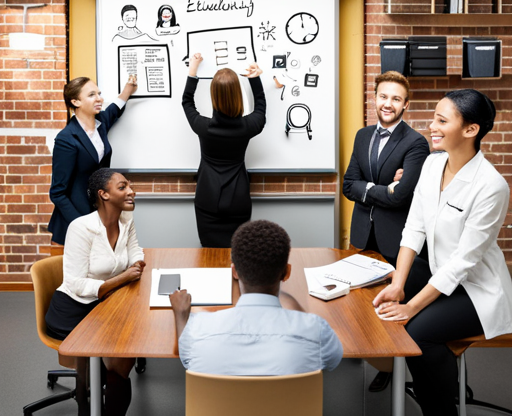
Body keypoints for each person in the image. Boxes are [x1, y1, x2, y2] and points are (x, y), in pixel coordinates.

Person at [373, 89, 512, 416]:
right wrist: (398, 285)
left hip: (477, 289)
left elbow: (463, 263)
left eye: (441, 120)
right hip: (440, 273)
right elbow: (414, 228)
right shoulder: (433, 165)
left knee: (418, 332)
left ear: (470, 130)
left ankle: (439, 406)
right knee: (384, 280)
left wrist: (411, 306)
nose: (431, 125)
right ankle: (438, 381)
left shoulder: (491, 186)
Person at [342, 70, 430, 391]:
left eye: (395, 98)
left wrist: (373, 189)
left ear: (406, 104)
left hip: (396, 240)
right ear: (374, 98)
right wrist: (383, 188)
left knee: (391, 307)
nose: (388, 103)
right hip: (363, 235)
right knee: (362, 305)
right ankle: (380, 361)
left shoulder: (416, 142)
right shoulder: (362, 136)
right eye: (383, 96)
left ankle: (395, 366)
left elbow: (402, 195)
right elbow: (347, 185)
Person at [170, 219, 343, 374]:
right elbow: (332, 361)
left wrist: (180, 314)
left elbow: (185, 356)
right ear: (286, 272)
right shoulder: (316, 330)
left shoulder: (198, 330)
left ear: (234, 272)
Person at [45, 168, 146, 416]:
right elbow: (77, 283)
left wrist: (137, 263)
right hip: (73, 308)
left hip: (105, 303)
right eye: (122, 187)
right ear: (104, 194)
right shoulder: (81, 228)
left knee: (123, 360)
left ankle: (103, 400)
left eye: (129, 186)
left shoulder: (126, 220)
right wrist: (121, 278)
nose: (131, 191)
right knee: (118, 351)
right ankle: (88, 398)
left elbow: (136, 252)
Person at [182, 52, 266, 247]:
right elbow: (261, 107)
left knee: (209, 255)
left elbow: (187, 101)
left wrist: (192, 70)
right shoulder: (249, 126)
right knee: (239, 253)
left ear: (214, 96)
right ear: (238, 95)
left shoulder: (203, 126)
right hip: (238, 200)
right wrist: (255, 79)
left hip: (207, 199)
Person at [48, 75, 137, 248]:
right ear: (75, 102)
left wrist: (128, 89)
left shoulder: (101, 123)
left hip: (100, 216)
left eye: (99, 93)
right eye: (91, 95)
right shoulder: (66, 139)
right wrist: (82, 224)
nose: (99, 98)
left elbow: (114, 109)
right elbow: (57, 192)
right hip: (72, 223)